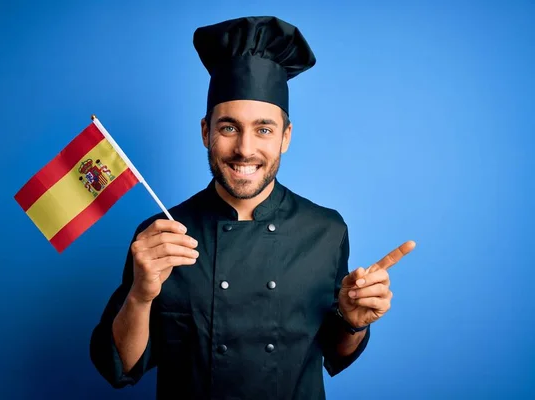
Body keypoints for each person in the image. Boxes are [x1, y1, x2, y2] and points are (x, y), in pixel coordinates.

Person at [90, 16, 415, 400]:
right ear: (206, 132)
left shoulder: (326, 231)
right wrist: (140, 296)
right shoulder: (161, 235)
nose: (245, 149)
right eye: (229, 127)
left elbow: (336, 349)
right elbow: (122, 366)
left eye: (264, 129)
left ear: (285, 137)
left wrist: (353, 323)